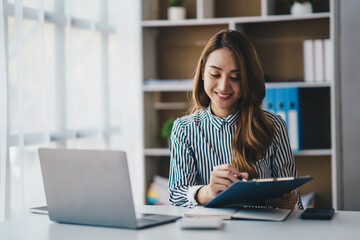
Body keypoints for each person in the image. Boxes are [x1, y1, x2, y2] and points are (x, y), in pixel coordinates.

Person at [168, 30, 302, 210]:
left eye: (235, 77)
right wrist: (208, 192)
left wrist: (288, 202)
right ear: (202, 72)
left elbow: (294, 199)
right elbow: (176, 196)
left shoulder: (274, 125)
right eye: (215, 74)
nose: (223, 87)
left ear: (248, 79)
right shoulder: (184, 129)